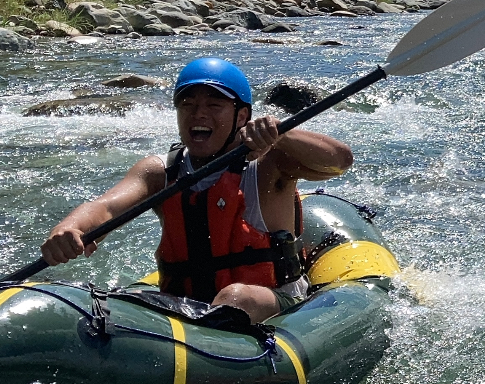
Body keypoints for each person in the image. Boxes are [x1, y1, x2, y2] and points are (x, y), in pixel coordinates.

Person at [40, 57, 353, 322]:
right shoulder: (159, 171)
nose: (198, 114)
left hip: (272, 302)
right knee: (129, 298)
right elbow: (107, 208)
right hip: (188, 307)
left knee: (235, 297)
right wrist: (71, 227)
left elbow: (339, 160)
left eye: (214, 105)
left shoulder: (270, 163)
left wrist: (282, 134)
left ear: (241, 116)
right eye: (187, 104)